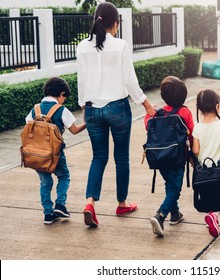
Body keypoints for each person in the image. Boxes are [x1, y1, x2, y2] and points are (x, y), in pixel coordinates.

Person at [76, 2, 155, 227]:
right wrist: (146, 104)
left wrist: (84, 106)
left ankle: (90, 202)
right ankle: (122, 203)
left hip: (92, 109)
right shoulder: (120, 45)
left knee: (98, 157)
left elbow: (81, 80)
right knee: (121, 157)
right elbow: (130, 80)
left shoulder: (82, 47)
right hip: (118, 108)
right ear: (116, 23)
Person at [25, 77, 86, 224]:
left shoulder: (35, 109)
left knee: (45, 183)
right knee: (64, 176)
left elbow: (28, 126)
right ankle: (60, 205)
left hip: (37, 155)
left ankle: (48, 214)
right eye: (64, 97)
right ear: (62, 93)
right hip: (55, 154)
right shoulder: (61, 110)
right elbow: (74, 130)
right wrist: (88, 123)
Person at [144, 76, 194, 237]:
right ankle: (161, 215)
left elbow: (147, 125)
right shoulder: (185, 112)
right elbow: (192, 134)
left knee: (169, 183)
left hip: (159, 157)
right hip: (177, 157)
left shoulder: (157, 113)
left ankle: (175, 213)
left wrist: (149, 113)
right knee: (175, 188)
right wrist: (193, 156)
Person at [192, 89, 220, 238]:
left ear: (199, 109)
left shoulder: (197, 127)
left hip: (203, 170)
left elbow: (195, 151)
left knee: (207, 193)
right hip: (218, 171)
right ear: (217, 106)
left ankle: (211, 215)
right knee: (218, 195)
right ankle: (214, 216)